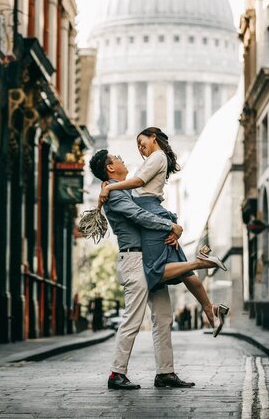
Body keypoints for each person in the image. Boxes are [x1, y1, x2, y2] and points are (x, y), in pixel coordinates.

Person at [89, 149, 216, 390]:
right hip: (134, 259)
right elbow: (138, 215)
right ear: (110, 168)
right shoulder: (116, 194)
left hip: (147, 257)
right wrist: (170, 225)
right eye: (117, 157)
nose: (121, 158)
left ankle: (165, 373)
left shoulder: (120, 190)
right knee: (132, 319)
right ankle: (116, 373)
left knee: (163, 318)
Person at [99, 126, 229, 337]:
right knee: (185, 272)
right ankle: (210, 309)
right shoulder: (156, 158)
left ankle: (201, 261)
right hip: (156, 211)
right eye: (138, 146)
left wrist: (110, 188)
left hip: (149, 213)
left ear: (154, 138)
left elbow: (139, 183)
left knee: (153, 270)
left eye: (142, 142)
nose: (140, 147)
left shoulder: (157, 157)